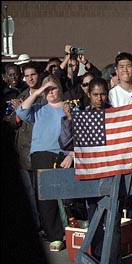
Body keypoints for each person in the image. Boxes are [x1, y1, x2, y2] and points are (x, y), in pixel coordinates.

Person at [59, 77, 124, 264]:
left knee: (113, 221)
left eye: (103, 94)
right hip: (91, 175)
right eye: (95, 94)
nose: (99, 98)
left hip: (113, 174)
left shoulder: (115, 115)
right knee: (94, 218)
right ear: (89, 94)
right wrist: (69, 119)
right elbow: (65, 142)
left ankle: (113, 262)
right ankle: (96, 259)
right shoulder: (82, 116)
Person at [16, 75, 73, 252]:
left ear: (60, 89)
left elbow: (79, 133)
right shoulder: (39, 108)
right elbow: (21, 112)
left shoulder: (68, 107)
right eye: (47, 89)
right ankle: (55, 236)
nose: (50, 92)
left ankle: (72, 231)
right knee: (45, 198)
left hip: (63, 156)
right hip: (41, 155)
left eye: (53, 88)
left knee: (68, 197)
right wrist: (39, 90)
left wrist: (72, 154)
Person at [9, 62, 45, 233]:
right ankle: (36, 225)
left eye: (33, 75)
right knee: (29, 195)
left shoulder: (46, 96)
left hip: (39, 149)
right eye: (27, 76)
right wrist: (17, 116)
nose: (30, 78)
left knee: (42, 194)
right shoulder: (22, 95)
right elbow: (12, 122)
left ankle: (47, 226)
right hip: (22, 150)